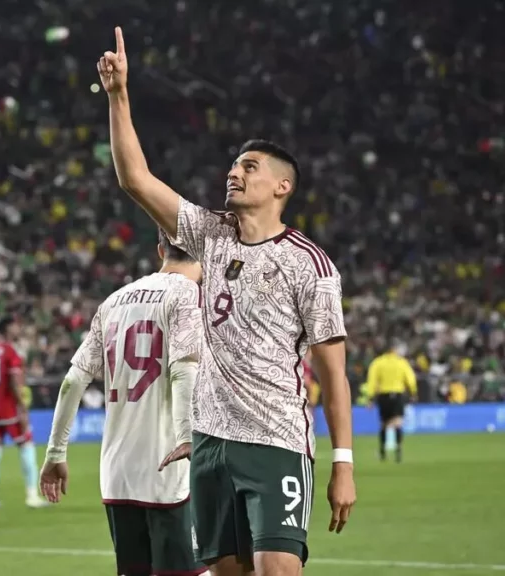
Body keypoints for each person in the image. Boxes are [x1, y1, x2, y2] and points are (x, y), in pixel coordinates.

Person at [96, 27, 356, 576]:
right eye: (233, 167)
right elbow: (135, 180)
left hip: (276, 441)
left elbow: (334, 374)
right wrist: (119, 96)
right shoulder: (210, 236)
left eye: (249, 167)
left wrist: (343, 464)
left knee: (278, 569)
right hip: (211, 446)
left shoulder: (310, 264)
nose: (233, 173)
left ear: (282, 187)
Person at [41, 230, 206, 576]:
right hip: (168, 470)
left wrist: (56, 453)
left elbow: (73, 380)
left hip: (116, 473)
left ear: (161, 249)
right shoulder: (187, 295)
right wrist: (187, 437)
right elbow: (183, 371)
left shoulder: (114, 301)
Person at [0, 316, 45, 508]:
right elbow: (14, 381)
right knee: (27, 446)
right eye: (16, 325)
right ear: (8, 328)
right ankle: (32, 496)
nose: (19, 328)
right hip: (10, 409)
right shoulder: (10, 352)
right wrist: (22, 407)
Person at [365, 344, 417, 463]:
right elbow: (410, 378)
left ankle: (382, 450)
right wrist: (413, 392)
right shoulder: (401, 362)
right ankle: (398, 449)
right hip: (398, 394)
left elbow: (372, 381)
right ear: (394, 350)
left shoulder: (378, 363)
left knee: (383, 424)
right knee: (398, 423)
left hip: (384, 395)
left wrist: (370, 398)